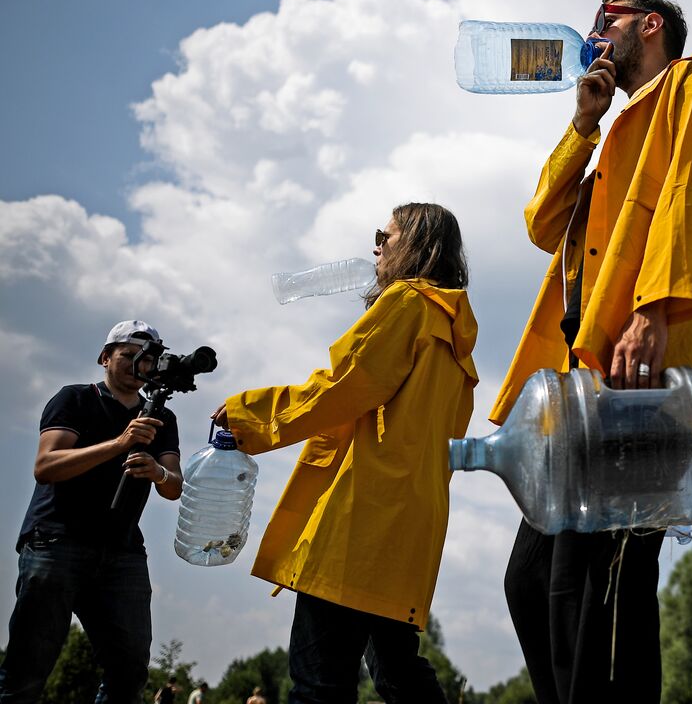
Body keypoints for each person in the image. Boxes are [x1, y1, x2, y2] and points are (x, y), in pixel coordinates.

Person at [496, 0, 692, 704]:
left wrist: (654, 311)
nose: (594, 30)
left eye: (607, 17)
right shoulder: (613, 136)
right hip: (581, 386)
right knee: (531, 582)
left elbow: (688, 193)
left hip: (640, 375)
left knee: (598, 590)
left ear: (651, 24)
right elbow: (544, 225)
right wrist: (583, 124)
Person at [214, 203, 479, 704]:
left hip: (361, 522)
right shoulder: (457, 336)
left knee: (320, 682)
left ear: (417, 245)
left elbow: (342, 388)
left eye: (386, 234)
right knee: (399, 673)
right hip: (411, 529)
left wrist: (249, 414)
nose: (376, 244)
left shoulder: (406, 304)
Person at [0, 320, 182, 703]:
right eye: (128, 356)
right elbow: (46, 465)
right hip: (56, 541)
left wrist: (158, 471)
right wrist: (120, 442)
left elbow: (174, 486)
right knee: (28, 666)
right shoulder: (76, 398)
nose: (137, 366)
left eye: (145, 360)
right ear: (104, 357)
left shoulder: (162, 417)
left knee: (130, 667)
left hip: (122, 552)